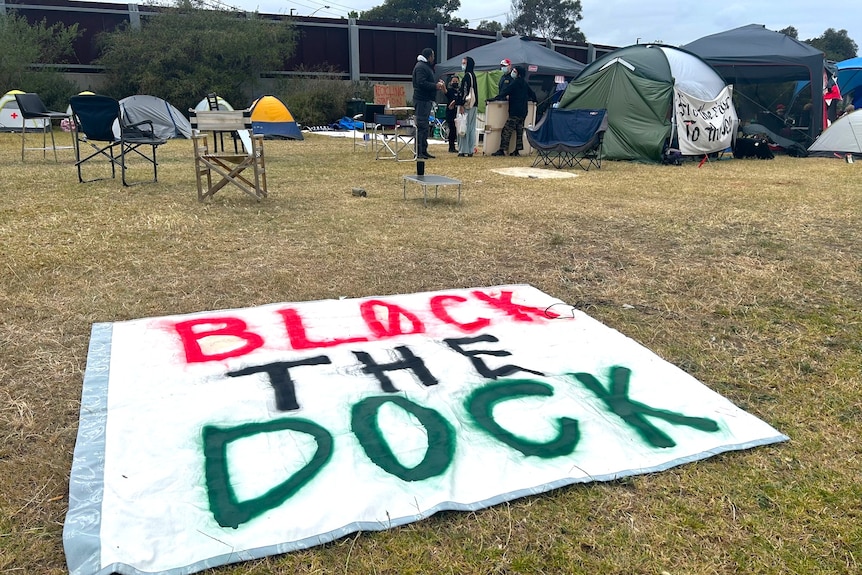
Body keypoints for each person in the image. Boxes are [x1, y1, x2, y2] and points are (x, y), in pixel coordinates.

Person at [490, 65, 537, 156]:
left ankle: (503, 149)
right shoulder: (525, 83)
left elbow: (505, 92)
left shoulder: (515, 83)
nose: (513, 73)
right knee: (519, 131)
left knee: (506, 130)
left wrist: (494, 99)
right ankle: (517, 150)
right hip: (523, 111)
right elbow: (533, 94)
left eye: (514, 71)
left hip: (515, 111)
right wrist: (535, 101)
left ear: (518, 74)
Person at [412, 47, 445, 160]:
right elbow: (421, 83)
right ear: (429, 56)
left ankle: (423, 150)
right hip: (421, 100)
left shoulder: (424, 66)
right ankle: (419, 151)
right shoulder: (421, 67)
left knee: (425, 127)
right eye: (433, 55)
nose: (434, 58)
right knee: (421, 126)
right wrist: (435, 86)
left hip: (425, 100)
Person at [456, 56, 478, 157]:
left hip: (466, 104)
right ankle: (470, 150)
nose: (462, 65)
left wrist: (460, 104)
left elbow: (464, 91)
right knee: (471, 128)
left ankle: (462, 150)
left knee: (463, 126)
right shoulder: (473, 75)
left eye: (464, 63)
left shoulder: (466, 76)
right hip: (474, 104)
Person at [445, 75, 460, 153]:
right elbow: (445, 92)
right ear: (450, 83)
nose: (455, 83)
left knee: (457, 130)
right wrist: (443, 86)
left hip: (458, 112)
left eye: (456, 81)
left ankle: (458, 145)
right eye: (453, 81)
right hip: (450, 112)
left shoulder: (459, 91)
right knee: (452, 130)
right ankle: (451, 146)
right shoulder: (449, 90)